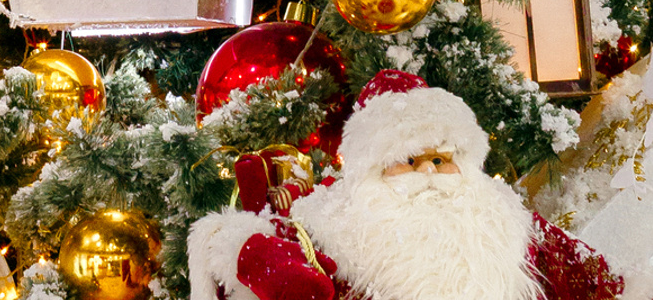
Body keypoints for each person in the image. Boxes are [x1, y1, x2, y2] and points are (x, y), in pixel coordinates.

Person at [190, 72, 614, 300]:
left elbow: (589, 278)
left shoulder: (503, 215)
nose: (427, 173)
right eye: (408, 161)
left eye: (440, 159)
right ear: (374, 167)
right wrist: (250, 249)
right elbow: (263, 261)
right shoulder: (331, 219)